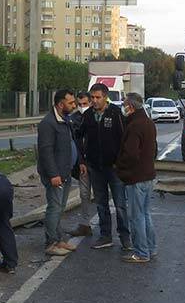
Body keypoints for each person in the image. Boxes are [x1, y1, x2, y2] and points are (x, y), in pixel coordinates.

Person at [79, 83, 129, 249]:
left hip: (114, 168)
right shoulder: (87, 116)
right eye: (92, 97)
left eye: (98, 97)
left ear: (105, 97)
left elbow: (124, 139)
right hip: (95, 167)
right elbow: (78, 137)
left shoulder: (116, 113)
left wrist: (120, 162)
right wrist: (82, 160)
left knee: (120, 204)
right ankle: (105, 236)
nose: (94, 101)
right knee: (101, 203)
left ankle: (125, 237)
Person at [115, 92, 158, 263]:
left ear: (130, 107)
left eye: (125, 105)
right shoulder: (148, 123)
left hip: (136, 177)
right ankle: (151, 247)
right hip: (148, 174)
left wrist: (120, 166)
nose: (123, 108)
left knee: (136, 216)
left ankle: (141, 252)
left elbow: (131, 154)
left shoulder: (134, 126)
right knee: (145, 214)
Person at [36, 89, 78, 256]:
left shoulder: (65, 120)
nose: (74, 105)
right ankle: (51, 243)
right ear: (61, 104)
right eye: (71, 103)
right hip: (56, 175)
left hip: (65, 173)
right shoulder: (48, 123)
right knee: (54, 208)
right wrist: (53, 174)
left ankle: (59, 239)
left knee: (60, 208)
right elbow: (45, 151)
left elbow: (70, 144)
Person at [66, 91, 95, 237]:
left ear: (90, 102)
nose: (82, 107)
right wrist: (80, 161)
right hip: (83, 163)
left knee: (101, 195)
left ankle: (105, 227)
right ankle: (85, 224)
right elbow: (75, 141)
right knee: (84, 194)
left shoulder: (96, 116)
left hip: (98, 163)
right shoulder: (73, 119)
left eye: (85, 104)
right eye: (80, 104)